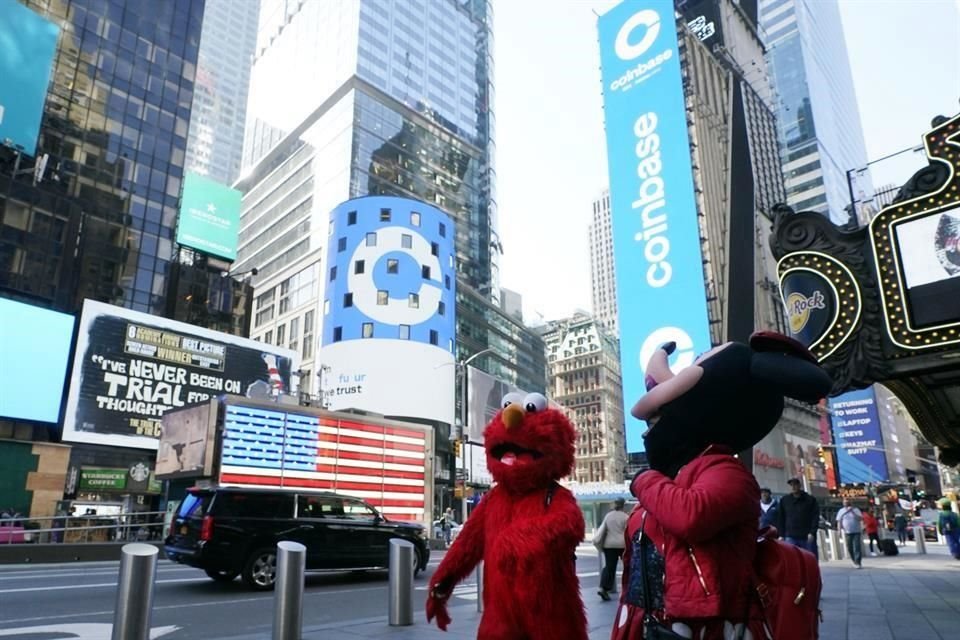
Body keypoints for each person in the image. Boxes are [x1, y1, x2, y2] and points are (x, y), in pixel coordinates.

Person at [612, 333, 832, 639]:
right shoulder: (680, 474)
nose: (649, 433)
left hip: (705, 626)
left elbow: (692, 516)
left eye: (657, 420)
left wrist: (645, 480)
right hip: (651, 617)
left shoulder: (726, 471)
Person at [596, 497, 629, 601]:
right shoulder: (626, 517)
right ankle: (629, 588)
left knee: (609, 567)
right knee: (628, 566)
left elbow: (603, 529)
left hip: (609, 545)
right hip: (622, 544)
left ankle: (604, 588)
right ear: (623, 505)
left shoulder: (608, 516)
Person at [777, 478, 820, 556]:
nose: (793, 487)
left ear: (799, 485)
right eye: (791, 485)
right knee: (792, 559)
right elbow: (781, 518)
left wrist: (812, 532)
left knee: (809, 559)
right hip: (790, 536)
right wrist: (781, 534)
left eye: (795, 484)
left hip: (807, 536)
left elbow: (815, 517)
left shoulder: (810, 500)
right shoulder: (785, 500)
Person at [836, 498, 863, 568]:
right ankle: (854, 560)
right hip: (847, 532)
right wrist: (839, 531)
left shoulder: (856, 510)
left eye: (847, 502)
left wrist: (852, 512)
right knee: (849, 547)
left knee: (857, 547)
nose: (846, 503)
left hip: (856, 531)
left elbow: (860, 519)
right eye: (844, 502)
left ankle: (858, 562)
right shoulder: (841, 511)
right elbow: (839, 521)